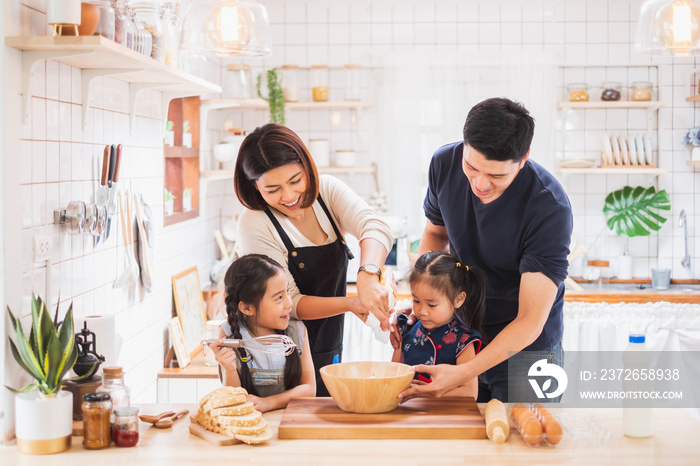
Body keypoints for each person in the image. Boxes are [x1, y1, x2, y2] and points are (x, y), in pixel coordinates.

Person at [398, 97, 573, 403]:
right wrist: (425, 300)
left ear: (524, 158)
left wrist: (464, 373)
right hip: (461, 334)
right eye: (471, 167)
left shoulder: (548, 208)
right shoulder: (444, 163)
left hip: (527, 351)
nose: (480, 183)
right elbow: (435, 235)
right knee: (461, 445)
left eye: (496, 176)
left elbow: (530, 320)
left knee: (525, 443)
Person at [234, 123, 393, 396]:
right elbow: (289, 303)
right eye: (272, 189)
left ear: (307, 166)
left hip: (328, 340)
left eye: (295, 180)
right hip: (278, 357)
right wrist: (352, 303)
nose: (289, 195)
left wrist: (368, 275)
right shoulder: (255, 223)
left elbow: (375, 226)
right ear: (254, 186)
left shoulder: (326, 193)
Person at [208, 254, 316, 413]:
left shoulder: (297, 331)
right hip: (249, 422)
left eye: (287, 292)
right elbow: (232, 400)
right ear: (247, 308)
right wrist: (229, 369)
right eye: (279, 297)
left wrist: (268, 403)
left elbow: (309, 389)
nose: (289, 303)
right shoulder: (229, 333)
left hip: (290, 420)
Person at [392, 252, 486, 399]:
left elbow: (470, 393)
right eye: (416, 301)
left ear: (458, 299)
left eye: (432, 304)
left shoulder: (464, 340)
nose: (422, 311)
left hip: (445, 417)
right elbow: (392, 375)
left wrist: (424, 395)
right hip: (406, 415)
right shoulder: (406, 328)